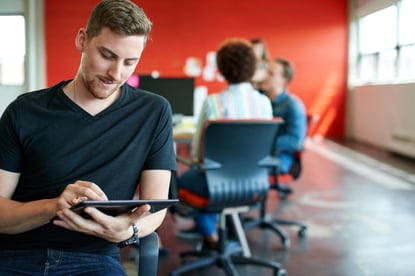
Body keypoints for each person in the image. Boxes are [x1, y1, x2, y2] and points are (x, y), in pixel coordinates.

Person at [0, 0, 177, 275]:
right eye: (107, 55)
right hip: (16, 255)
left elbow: (155, 207)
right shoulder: (24, 111)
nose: (116, 74)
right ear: (82, 40)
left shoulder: (153, 112)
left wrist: (126, 231)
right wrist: (53, 206)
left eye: (130, 62)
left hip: (94, 259)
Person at [176, 38, 273, 249]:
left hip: (216, 186)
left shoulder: (213, 102)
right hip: (256, 184)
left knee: (179, 180)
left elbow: (197, 154)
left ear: (221, 68)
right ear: (253, 67)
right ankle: (214, 234)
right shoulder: (265, 103)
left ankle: (209, 234)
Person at [261, 58, 306, 181]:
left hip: (279, 158)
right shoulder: (260, 101)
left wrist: (262, 143)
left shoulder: (293, 105)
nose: (265, 76)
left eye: (271, 73)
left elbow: (295, 141)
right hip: (261, 155)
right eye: (266, 71)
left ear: (284, 80)